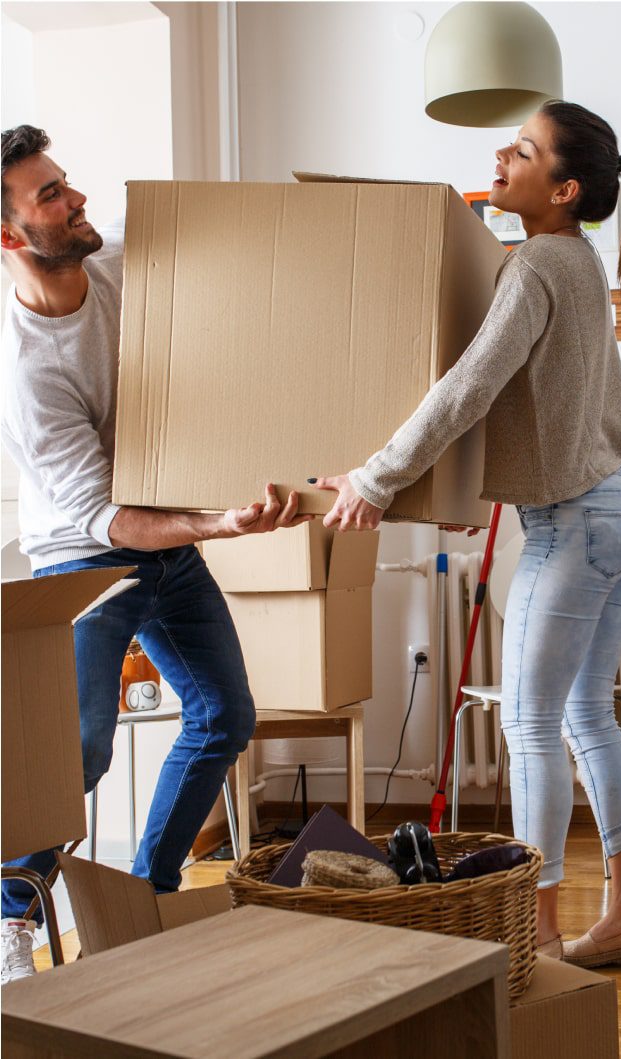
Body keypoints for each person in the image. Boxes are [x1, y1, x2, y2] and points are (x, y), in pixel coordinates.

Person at [312, 101, 621, 968]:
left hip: (577, 523)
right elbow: (520, 408)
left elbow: (466, 388)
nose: (500, 157)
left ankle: (537, 934)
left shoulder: (538, 263)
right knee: (587, 713)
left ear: (565, 187)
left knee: (533, 727)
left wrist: (376, 477)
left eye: (522, 150)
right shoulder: (573, 260)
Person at [0, 125, 306, 982]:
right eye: (50, 195)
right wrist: (217, 524)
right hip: (84, 562)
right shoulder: (28, 375)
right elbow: (105, 517)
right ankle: (9, 920)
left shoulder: (120, 266)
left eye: (67, 181)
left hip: (165, 542)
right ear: (9, 236)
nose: (77, 198)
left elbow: (223, 268)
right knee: (78, 754)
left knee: (223, 713)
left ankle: (148, 894)